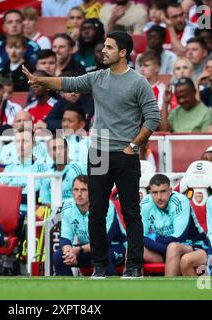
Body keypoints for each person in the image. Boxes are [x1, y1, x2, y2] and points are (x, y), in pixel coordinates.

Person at [23, 31, 161, 278]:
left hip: (126, 153)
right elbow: (68, 83)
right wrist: (40, 80)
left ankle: (134, 266)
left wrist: (134, 145)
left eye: (109, 47)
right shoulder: (97, 77)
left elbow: (153, 117)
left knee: (131, 211)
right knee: (97, 210)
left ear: (122, 52)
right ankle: (98, 266)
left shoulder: (139, 82)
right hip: (99, 151)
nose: (103, 50)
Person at [53, 175, 127, 276]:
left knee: (102, 255)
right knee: (59, 256)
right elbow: (65, 239)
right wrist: (69, 252)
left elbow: (104, 242)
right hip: (87, 249)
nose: (79, 194)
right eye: (76, 189)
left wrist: (78, 250)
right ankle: (68, 290)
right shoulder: (67, 206)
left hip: (115, 247)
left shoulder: (106, 206)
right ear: (72, 191)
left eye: (84, 190)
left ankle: (112, 288)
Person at [140, 174, 208, 276]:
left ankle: (168, 290)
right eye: (155, 192)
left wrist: (153, 239)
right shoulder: (145, 203)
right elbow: (140, 237)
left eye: (163, 191)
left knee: (173, 247)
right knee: (133, 248)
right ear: (150, 193)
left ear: (170, 190)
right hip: (165, 249)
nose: (159, 197)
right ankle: (133, 290)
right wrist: (154, 243)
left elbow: (179, 238)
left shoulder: (180, 201)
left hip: (194, 246)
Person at [40, 136, 86, 205]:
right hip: (53, 212)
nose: (58, 152)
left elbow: (85, 199)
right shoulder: (47, 174)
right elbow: (45, 202)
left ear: (67, 149)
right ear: (49, 153)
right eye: (54, 148)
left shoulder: (77, 169)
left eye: (61, 148)